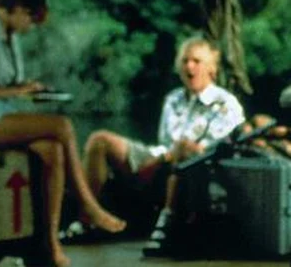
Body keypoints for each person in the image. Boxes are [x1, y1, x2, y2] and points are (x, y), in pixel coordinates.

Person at [0, 0, 126, 267]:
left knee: (52, 151)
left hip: (2, 113)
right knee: (62, 126)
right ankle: (88, 205)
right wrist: (16, 91)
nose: (30, 27)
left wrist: (28, 89)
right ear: (18, 9)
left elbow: (3, 84)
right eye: (31, 19)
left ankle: (50, 242)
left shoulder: (10, 37)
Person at [82, 35, 245, 255]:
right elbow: (164, 142)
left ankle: (167, 224)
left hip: (196, 170)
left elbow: (213, 151)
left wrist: (170, 155)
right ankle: (88, 219)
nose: (189, 66)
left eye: (196, 61)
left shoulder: (226, 104)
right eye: (185, 61)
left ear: (211, 68)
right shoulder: (173, 99)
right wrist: (162, 158)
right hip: (161, 159)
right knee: (99, 140)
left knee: (185, 149)